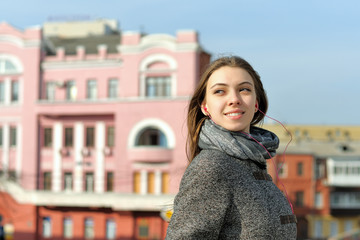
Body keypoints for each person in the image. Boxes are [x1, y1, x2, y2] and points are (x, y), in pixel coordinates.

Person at [165, 56, 297, 239]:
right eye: (220, 91)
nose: (234, 99)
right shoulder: (211, 166)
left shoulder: (254, 160)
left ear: (256, 103)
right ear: (205, 107)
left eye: (244, 90)